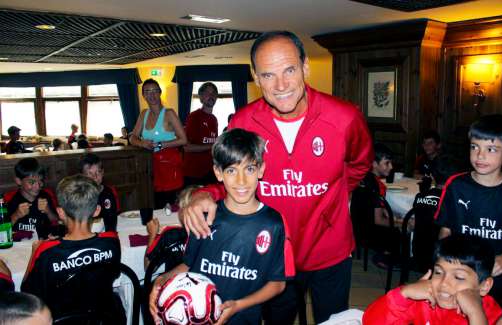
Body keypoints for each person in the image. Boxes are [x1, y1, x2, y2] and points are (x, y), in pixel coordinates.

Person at [182, 31, 373, 324]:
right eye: (268, 75)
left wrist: (327, 199)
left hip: (330, 252)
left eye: (290, 70)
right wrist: (206, 193)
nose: (281, 85)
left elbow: (359, 166)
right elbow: (235, 174)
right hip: (271, 255)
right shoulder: (243, 122)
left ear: (305, 67)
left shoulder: (345, 117)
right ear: (256, 78)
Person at [150, 128, 294, 325]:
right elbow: (190, 265)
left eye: (249, 169)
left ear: (261, 169)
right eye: (231, 170)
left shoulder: (273, 223)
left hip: (243, 318)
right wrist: (161, 281)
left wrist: (239, 305)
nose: (241, 181)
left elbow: (277, 283)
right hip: (199, 318)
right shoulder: (205, 217)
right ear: (218, 173)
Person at [435, 114, 502, 305]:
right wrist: (443, 266)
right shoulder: (456, 185)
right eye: (475, 147)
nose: (480, 155)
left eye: (491, 149)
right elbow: (446, 229)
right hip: (463, 279)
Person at [21, 174, 122, 321]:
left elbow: (27, 294)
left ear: (60, 213)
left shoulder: (47, 251)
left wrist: (34, 252)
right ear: (97, 210)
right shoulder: (112, 241)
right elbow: (113, 273)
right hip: (105, 318)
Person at [363, 234, 502, 325]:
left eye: (459, 277)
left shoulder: (493, 315)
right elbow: (370, 321)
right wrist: (404, 293)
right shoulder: (425, 300)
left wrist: (475, 314)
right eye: (438, 272)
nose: (443, 283)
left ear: (484, 286)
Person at [130, 78, 188, 208]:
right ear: (143, 95)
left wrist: (162, 144)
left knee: (171, 205)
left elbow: (183, 139)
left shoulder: (169, 113)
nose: (152, 95)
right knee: (155, 205)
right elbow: (132, 137)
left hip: (169, 165)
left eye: (155, 91)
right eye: (148, 91)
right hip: (151, 166)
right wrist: (142, 143)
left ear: (160, 92)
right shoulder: (143, 114)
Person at [351, 143, 398, 269]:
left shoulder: (360, 177)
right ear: (374, 164)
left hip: (356, 229)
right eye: (387, 163)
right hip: (370, 233)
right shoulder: (377, 185)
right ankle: (385, 256)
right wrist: (400, 223)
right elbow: (378, 220)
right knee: (402, 232)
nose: (391, 167)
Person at [411, 154, 460, 273]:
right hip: (438, 259)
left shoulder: (419, 196)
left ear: (432, 175)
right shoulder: (453, 202)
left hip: (418, 252)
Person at [143, 185, 195, 271]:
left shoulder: (170, 235)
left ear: (182, 211)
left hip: (174, 282)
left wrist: (152, 235)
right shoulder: (213, 233)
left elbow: (148, 267)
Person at [6, 158, 58, 239]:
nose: (37, 186)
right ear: (18, 181)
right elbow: (3, 230)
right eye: (31, 182)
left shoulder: (46, 196)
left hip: (43, 243)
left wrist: (48, 212)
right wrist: (15, 216)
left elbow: (56, 221)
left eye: (40, 181)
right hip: (18, 246)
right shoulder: (10, 200)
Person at [182, 82, 219, 186]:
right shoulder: (194, 117)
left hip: (209, 172)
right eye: (207, 93)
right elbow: (187, 147)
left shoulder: (214, 119)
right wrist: (212, 146)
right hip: (193, 173)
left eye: (213, 93)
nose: (211, 96)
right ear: (201, 98)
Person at [79, 153, 120, 231]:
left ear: (103, 172)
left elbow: (112, 220)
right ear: (82, 176)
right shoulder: (78, 195)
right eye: (90, 173)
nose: (95, 177)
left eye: (98, 172)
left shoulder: (108, 193)